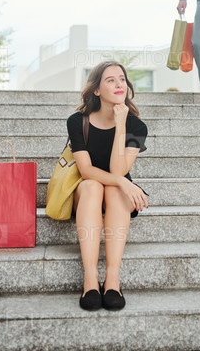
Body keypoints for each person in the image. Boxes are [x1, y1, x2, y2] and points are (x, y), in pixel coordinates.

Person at [66, 61, 149, 311]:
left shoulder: (136, 127)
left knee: (113, 188)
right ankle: (90, 279)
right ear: (97, 89)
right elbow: (86, 170)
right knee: (93, 185)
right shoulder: (78, 121)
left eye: (122, 79)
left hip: (117, 193)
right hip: (87, 192)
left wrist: (121, 123)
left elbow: (117, 171)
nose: (118, 84)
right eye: (110, 80)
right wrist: (123, 182)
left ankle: (112, 279)